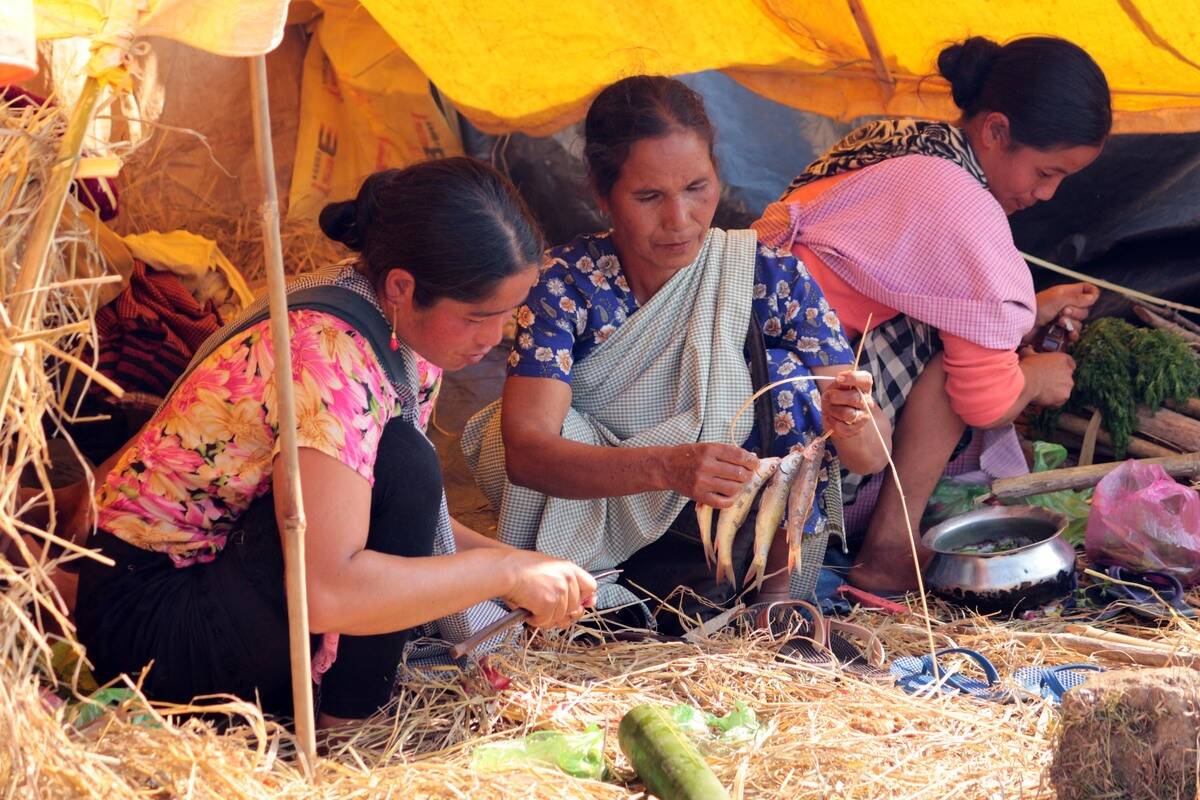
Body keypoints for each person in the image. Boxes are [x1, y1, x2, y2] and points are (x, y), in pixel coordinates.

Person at [74, 158, 597, 727]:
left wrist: (515, 560)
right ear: (402, 285)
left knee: (404, 467)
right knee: (407, 463)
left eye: (506, 316)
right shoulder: (326, 356)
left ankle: (338, 707)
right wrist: (505, 575)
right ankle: (345, 732)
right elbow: (327, 590)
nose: (492, 340)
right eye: (478, 317)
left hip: (218, 584)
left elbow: (413, 523)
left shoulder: (407, 339)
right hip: (152, 625)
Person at [464, 76, 891, 630]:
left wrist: (851, 418)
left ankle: (774, 603)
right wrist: (668, 464)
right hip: (603, 519)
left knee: (791, 379)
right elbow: (527, 450)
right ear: (601, 192)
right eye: (648, 197)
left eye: (697, 187)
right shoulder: (565, 285)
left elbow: (870, 457)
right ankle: (592, 599)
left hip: (732, 537)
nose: (680, 220)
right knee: (556, 421)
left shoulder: (767, 275)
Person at [751, 36, 1109, 592]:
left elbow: (887, 280)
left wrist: (1030, 311)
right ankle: (890, 546)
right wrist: (1036, 378)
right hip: (781, 429)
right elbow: (985, 403)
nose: (1047, 194)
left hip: (741, 367)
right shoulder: (959, 203)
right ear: (995, 131)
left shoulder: (903, 140)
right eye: (1046, 172)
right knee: (960, 363)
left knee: (962, 335)